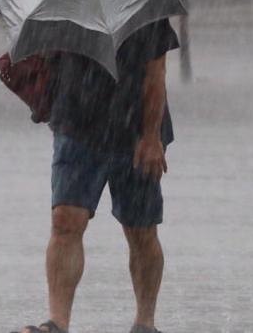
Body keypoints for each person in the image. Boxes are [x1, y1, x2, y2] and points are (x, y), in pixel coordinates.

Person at [13, 18, 180, 333]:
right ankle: (57, 322)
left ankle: (145, 322)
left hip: (135, 131)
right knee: (65, 219)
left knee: (141, 229)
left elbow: (156, 74)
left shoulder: (144, 5)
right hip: (76, 121)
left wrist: (151, 137)